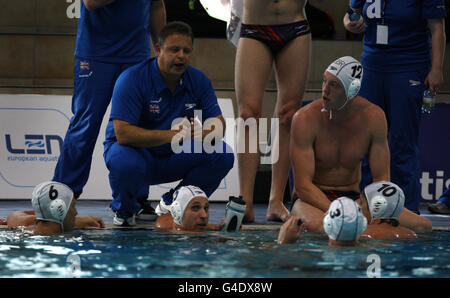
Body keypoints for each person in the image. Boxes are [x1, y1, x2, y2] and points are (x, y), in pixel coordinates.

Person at [103, 21, 235, 226]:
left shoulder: (198, 81)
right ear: (158, 49)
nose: (181, 55)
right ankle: (125, 209)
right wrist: (171, 135)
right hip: (137, 154)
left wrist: (201, 132)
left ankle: (172, 203)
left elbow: (219, 126)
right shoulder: (131, 79)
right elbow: (123, 134)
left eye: (186, 51)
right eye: (174, 50)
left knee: (222, 154)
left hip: (172, 155)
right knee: (124, 160)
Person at [290, 56, 432, 234]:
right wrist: (339, 210)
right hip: (312, 199)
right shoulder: (305, 119)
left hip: (355, 199)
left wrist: (358, 206)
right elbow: (302, 186)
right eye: (325, 81)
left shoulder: (373, 118)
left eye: (334, 85)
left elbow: (382, 180)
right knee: (320, 227)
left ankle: (360, 235)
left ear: (352, 90)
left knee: (424, 226)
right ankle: (366, 233)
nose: (325, 90)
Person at [52, 0, 166, 220]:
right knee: (85, 124)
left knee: (135, 128)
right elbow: (92, 2)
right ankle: (62, 195)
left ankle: (133, 198)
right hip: (96, 54)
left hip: (136, 54)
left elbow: (156, 5)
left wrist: (162, 47)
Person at [343, 0, 446, 213]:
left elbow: (437, 28)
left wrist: (436, 68)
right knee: (366, 138)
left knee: (403, 140)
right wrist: (349, 23)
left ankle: (405, 208)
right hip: (372, 64)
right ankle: (367, 204)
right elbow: (351, 12)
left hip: (408, 65)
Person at [235, 0, 311, 223]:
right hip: (254, 26)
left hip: (295, 25)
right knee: (248, 115)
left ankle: (275, 200)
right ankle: (245, 201)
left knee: (288, 115)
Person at [4, 182, 105, 235]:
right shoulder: (69, 239)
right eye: (73, 206)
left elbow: (14, 216)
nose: (76, 212)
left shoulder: (23, 231)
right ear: (59, 210)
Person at [278, 197, 367, 246]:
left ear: (327, 225)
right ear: (363, 225)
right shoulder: (369, 255)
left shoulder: (313, 256)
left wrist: (284, 243)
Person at [155, 185, 225, 232]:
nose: (204, 215)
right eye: (195, 208)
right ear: (178, 211)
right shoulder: (162, 227)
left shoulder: (193, 224)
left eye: (206, 208)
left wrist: (217, 228)